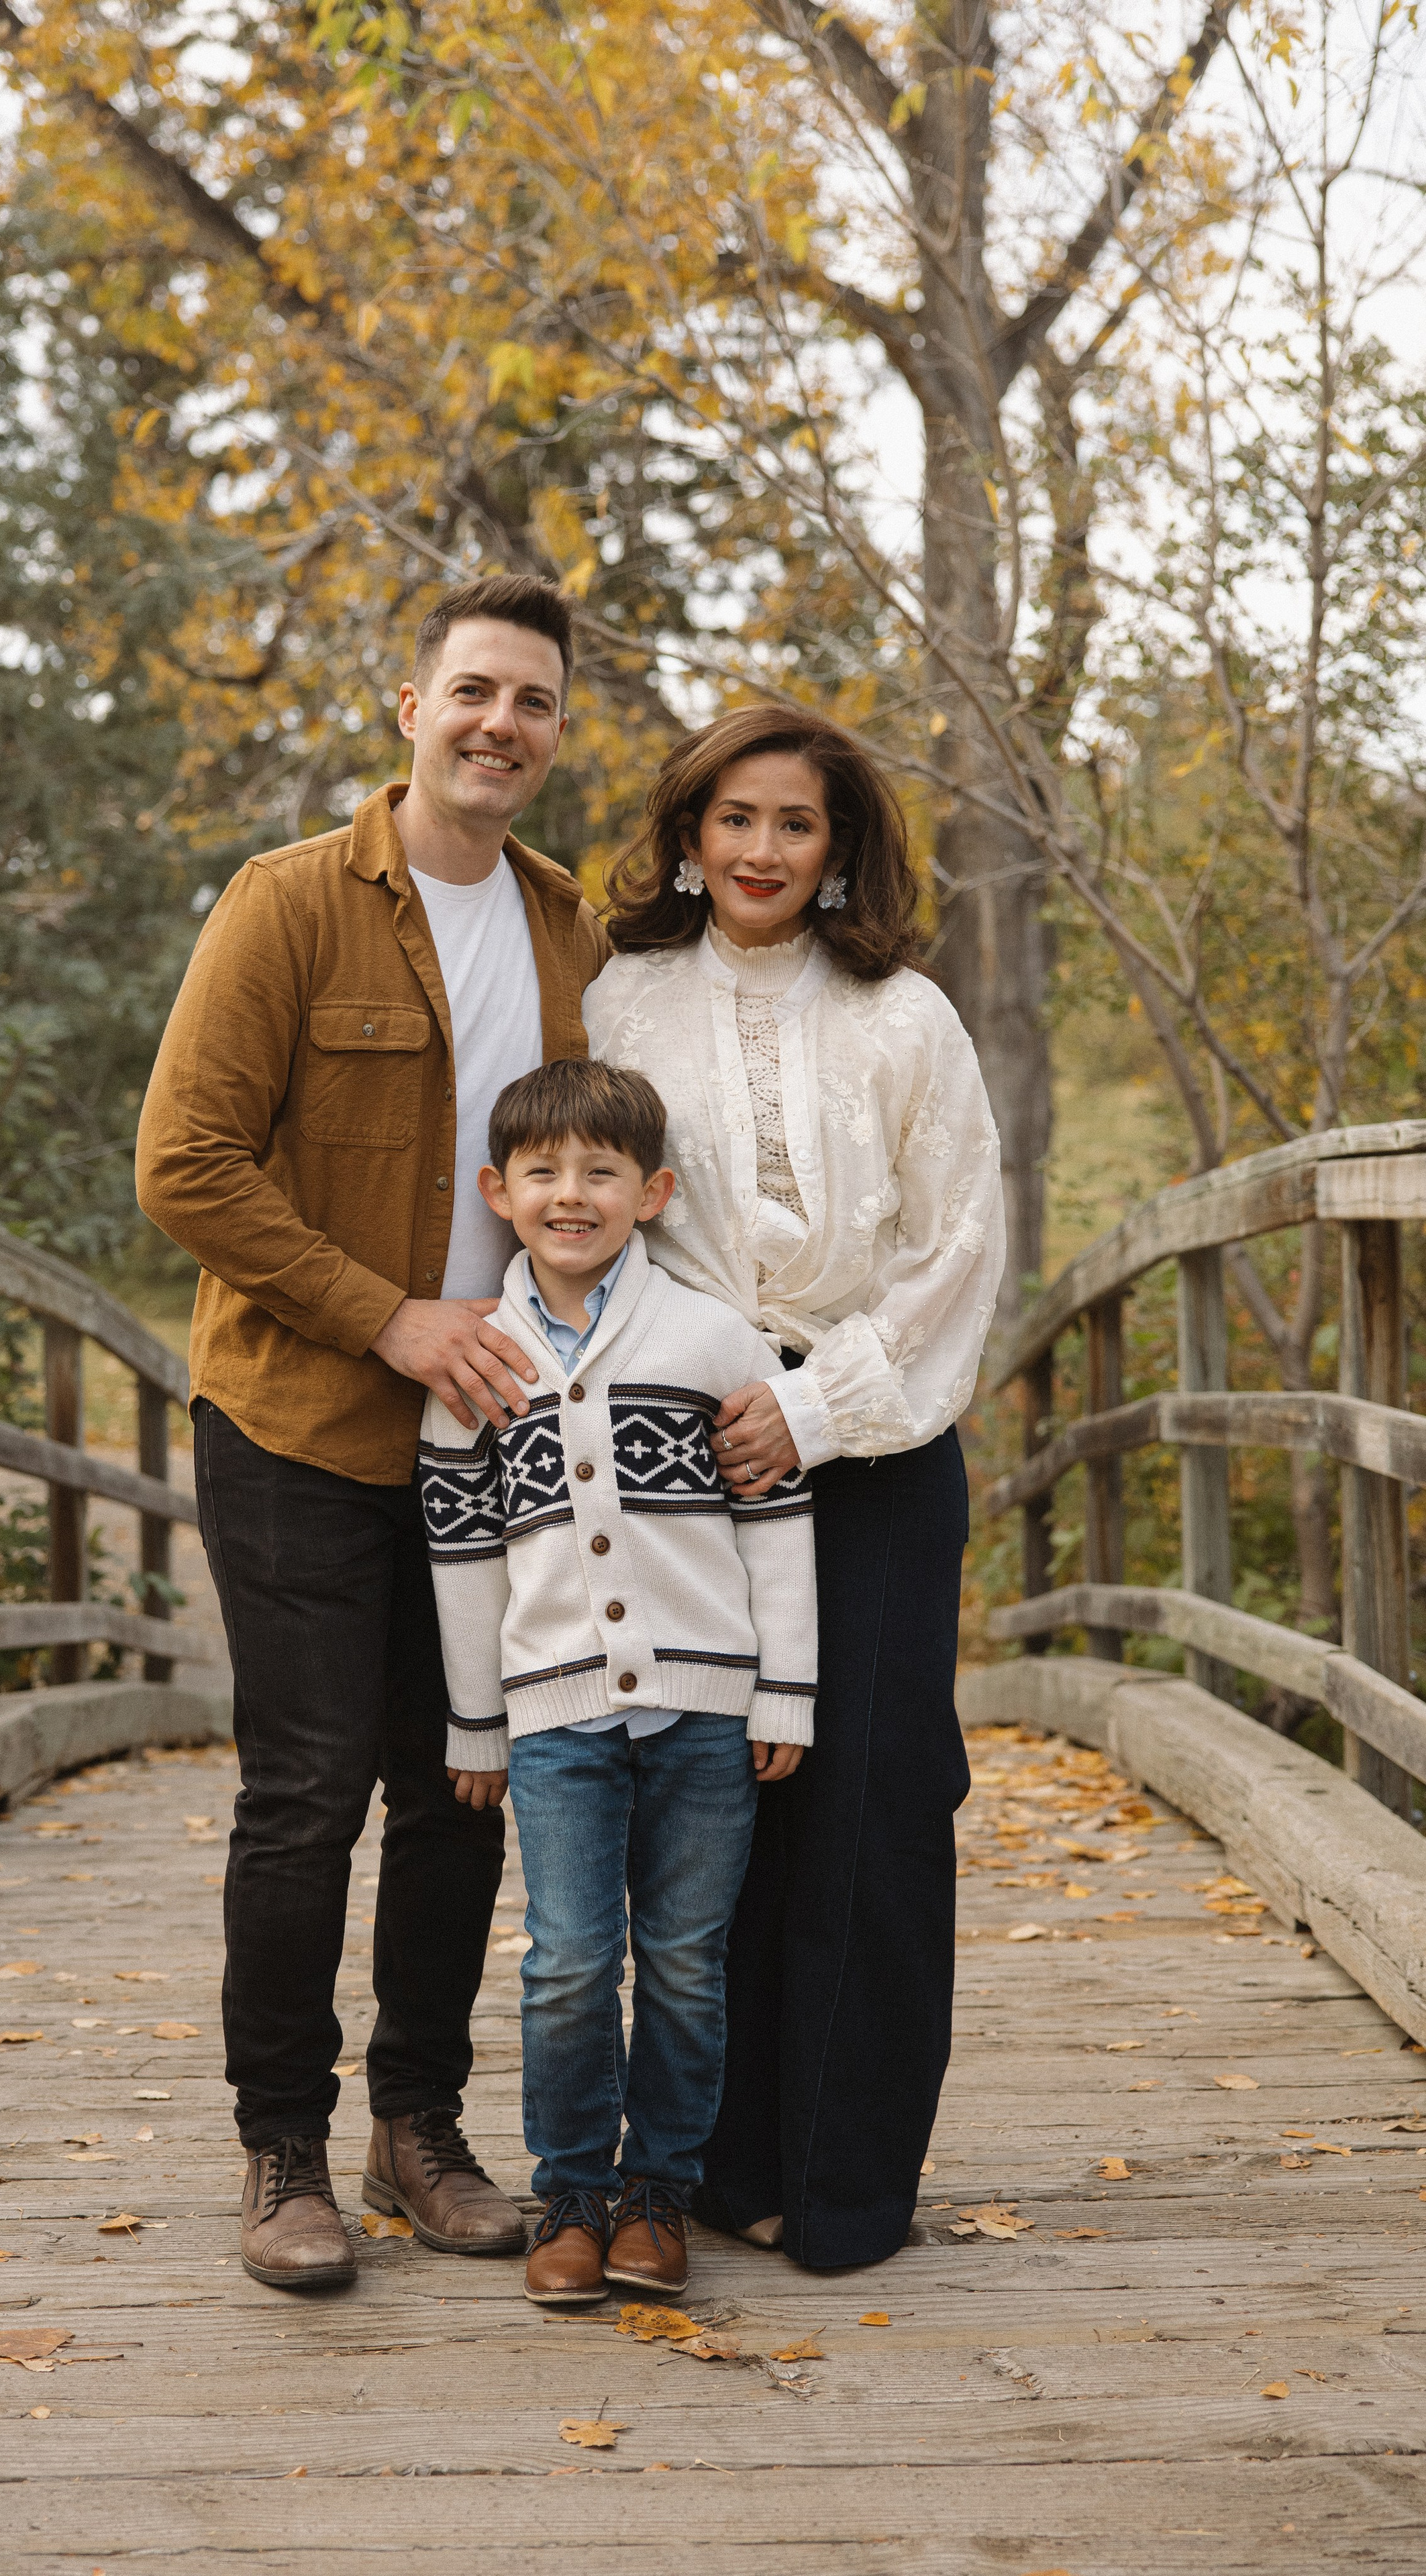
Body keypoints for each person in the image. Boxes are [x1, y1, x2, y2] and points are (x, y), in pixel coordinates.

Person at [134, 574, 607, 2291]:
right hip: (302, 1423)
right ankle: (282, 2150)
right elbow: (184, 1165)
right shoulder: (285, 905)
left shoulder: (571, 933)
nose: (500, 725)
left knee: (461, 1785)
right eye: (472, 690)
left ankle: (419, 2131)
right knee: (308, 1791)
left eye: (534, 703)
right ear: (407, 707)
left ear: (557, 736)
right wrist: (389, 1314)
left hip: (495, 1444)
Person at [582, 704, 1005, 2272]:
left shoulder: (907, 1018)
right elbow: (579, 1211)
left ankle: (842, 2184)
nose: (761, 850)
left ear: (839, 853)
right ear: (687, 837)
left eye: (795, 825)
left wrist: (813, 1410)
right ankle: (708, 2164)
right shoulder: (617, 1002)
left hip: (874, 1447)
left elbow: (956, 1254)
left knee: (876, 1804)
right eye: (733, 819)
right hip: (676, 1455)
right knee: (712, 1810)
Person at [421, 1058, 817, 2305]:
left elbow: (778, 1514)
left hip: (707, 1710)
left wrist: (786, 1690)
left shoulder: (709, 1337)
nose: (571, 1195)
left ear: (654, 1193)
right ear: (499, 1191)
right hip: (556, 1718)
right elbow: (462, 1553)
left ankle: (662, 2192)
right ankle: (573, 2193)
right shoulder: (478, 1363)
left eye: (602, 1172)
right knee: (571, 1959)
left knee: (691, 1959)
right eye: (543, 1173)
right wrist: (477, 1724)